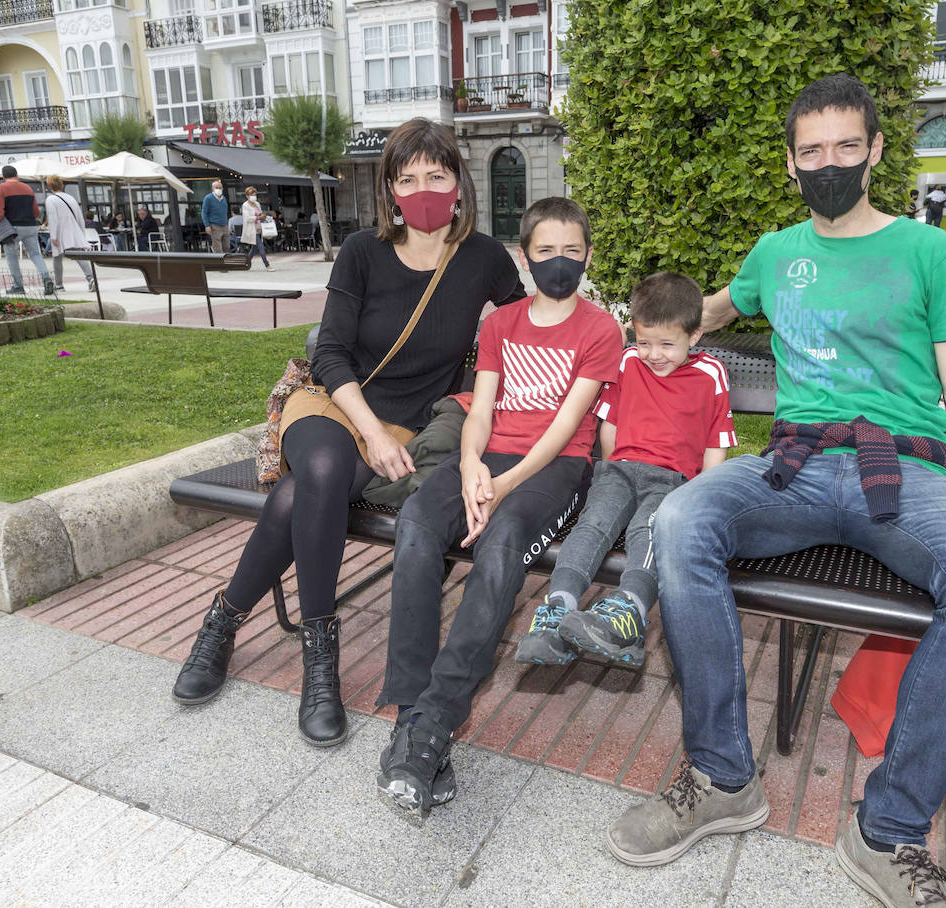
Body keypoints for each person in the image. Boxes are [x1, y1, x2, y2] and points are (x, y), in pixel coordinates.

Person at [604, 74, 946, 908]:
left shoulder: (928, 253)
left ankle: (889, 830)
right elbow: (716, 311)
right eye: (812, 151)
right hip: (794, 468)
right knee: (686, 518)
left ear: (875, 150)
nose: (829, 163)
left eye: (847, 146)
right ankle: (723, 776)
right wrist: (640, 331)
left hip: (905, 471)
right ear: (791, 163)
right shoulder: (777, 252)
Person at [170, 118, 525, 749]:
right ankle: (320, 660)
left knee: (298, 495)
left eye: (435, 176)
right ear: (390, 189)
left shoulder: (483, 259)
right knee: (327, 471)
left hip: (405, 423)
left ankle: (222, 622)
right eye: (407, 178)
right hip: (334, 406)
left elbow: (529, 324)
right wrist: (374, 435)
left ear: (458, 183)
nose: (422, 190)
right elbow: (330, 350)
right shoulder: (362, 250)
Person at [375, 196, 623, 820]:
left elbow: (567, 428)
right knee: (417, 525)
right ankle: (416, 718)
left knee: (502, 540)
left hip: (553, 469)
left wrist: (501, 487)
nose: (559, 262)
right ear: (525, 255)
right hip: (485, 458)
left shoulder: (600, 330)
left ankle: (436, 716)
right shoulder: (501, 323)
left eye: (572, 251)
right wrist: (468, 469)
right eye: (546, 251)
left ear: (587, 256)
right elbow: (480, 409)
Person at [515, 271, 737, 668]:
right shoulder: (628, 361)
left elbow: (715, 441)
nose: (654, 353)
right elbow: (611, 423)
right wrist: (612, 465)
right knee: (592, 525)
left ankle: (629, 613)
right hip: (619, 470)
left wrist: (700, 493)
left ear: (696, 335)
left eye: (668, 344)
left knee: (647, 531)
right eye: (645, 341)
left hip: (672, 481)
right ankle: (557, 610)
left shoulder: (710, 374)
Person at [0, 165, 53, 296]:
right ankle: (46, 279)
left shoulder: (1, 188)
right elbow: (36, 212)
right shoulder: (27, 188)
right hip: (31, 226)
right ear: (17, 174)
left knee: (12, 256)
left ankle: (18, 285)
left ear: (3, 176)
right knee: (36, 254)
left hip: (12, 228)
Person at [44, 174, 95, 292]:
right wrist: (81, 233)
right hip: (74, 230)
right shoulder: (70, 198)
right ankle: (91, 279)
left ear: (49, 186)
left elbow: (53, 219)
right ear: (61, 184)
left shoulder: (51, 199)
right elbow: (79, 218)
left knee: (57, 258)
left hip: (60, 231)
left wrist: (53, 236)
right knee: (78, 255)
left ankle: (59, 285)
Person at [240, 187, 274, 270]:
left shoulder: (257, 204)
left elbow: (260, 213)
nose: (254, 197)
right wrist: (258, 217)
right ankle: (267, 265)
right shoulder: (245, 205)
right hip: (252, 230)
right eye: (252, 195)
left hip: (259, 228)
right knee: (261, 246)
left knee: (254, 249)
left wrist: (263, 216)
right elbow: (247, 218)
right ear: (247, 196)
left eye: (255, 195)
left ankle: (245, 263)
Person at [202, 180, 229, 253]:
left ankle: (225, 261)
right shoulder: (208, 198)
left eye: (220, 188)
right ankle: (219, 263)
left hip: (224, 225)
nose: (219, 189)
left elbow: (225, 211)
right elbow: (204, 212)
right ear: (212, 189)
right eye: (216, 187)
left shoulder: (224, 199)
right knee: (218, 247)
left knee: (227, 246)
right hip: (214, 225)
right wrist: (207, 225)